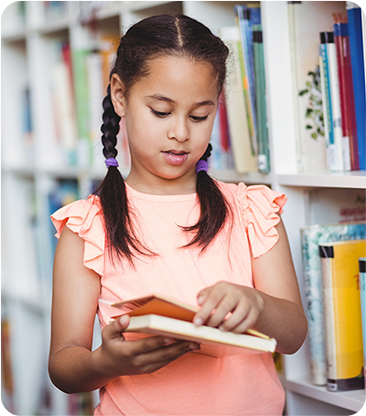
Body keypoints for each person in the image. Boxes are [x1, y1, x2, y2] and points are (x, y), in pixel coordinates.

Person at [49, 14, 307, 416]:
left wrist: (256, 305)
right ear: (120, 95)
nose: (181, 133)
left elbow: (293, 335)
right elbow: (64, 365)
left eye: (199, 115)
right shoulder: (88, 226)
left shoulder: (252, 210)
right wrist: (107, 362)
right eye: (162, 112)